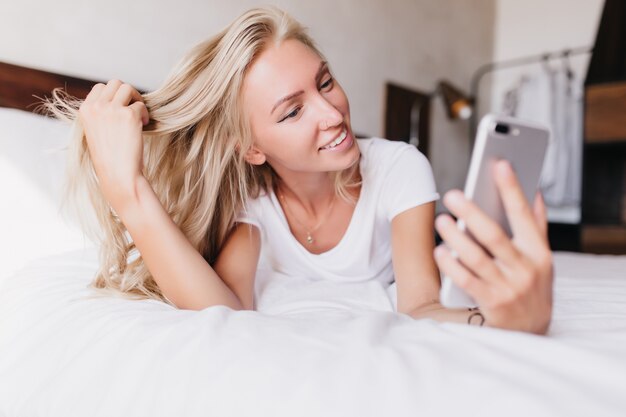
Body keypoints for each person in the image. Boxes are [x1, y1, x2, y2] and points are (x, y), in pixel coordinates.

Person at [48, 6, 552, 334]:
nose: (333, 115)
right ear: (250, 149)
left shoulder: (400, 168)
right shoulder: (253, 204)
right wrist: (130, 192)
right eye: (292, 111)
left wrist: (507, 321)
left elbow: (420, 308)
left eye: (326, 82)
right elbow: (224, 309)